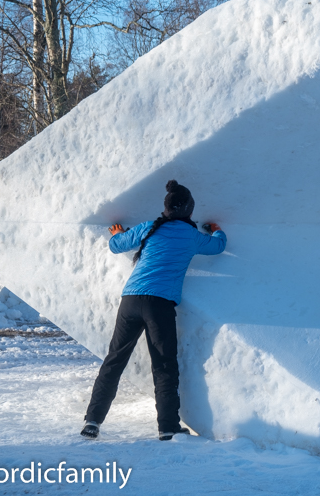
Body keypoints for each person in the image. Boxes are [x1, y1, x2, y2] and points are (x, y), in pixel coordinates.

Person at [81, 180, 227, 441]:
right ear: (190, 212)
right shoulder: (192, 236)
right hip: (159, 305)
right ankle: (167, 426)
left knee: (114, 360)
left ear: (166, 209)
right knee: (164, 365)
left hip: (131, 299)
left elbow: (116, 246)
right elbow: (218, 246)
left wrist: (116, 233)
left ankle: (92, 421)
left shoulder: (149, 228)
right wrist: (217, 230)